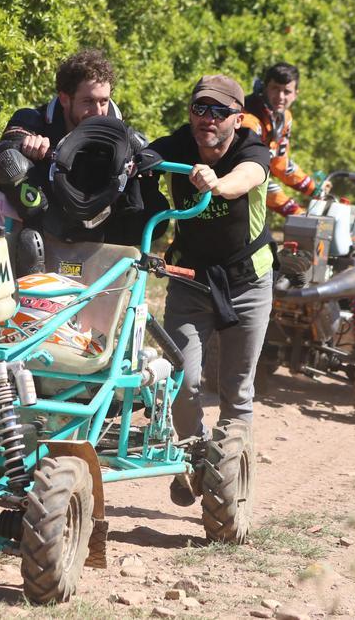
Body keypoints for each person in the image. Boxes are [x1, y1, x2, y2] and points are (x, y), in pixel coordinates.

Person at [147, 75, 273, 505]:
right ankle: (198, 458)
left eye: (220, 112)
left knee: (237, 391)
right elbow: (142, 156)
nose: (208, 119)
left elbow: (248, 176)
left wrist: (216, 183)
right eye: (201, 109)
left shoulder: (251, 147)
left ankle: (231, 492)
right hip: (190, 278)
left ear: (237, 119)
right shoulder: (179, 144)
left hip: (248, 281)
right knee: (182, 378)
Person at [0, 48, 167, 246]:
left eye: (104, 101)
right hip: (46, 227)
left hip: (102, 236)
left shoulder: (122, 132)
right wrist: (26, 146)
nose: (98, 112)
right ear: (65, 99)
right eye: (88, 101)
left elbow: (150, 156)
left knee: (149, 181)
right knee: (10, 162)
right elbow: (5, 153)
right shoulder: (35, 119)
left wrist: (144, 165)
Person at [243, 62, 329, 217]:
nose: (280, 97)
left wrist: (314, 189)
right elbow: (250, 174)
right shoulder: (249, 120)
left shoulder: (284, 117)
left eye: (287, 91)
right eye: (275, 88)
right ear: (265, 88)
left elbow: (279, 162)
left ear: (296, 94)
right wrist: (293, 210)